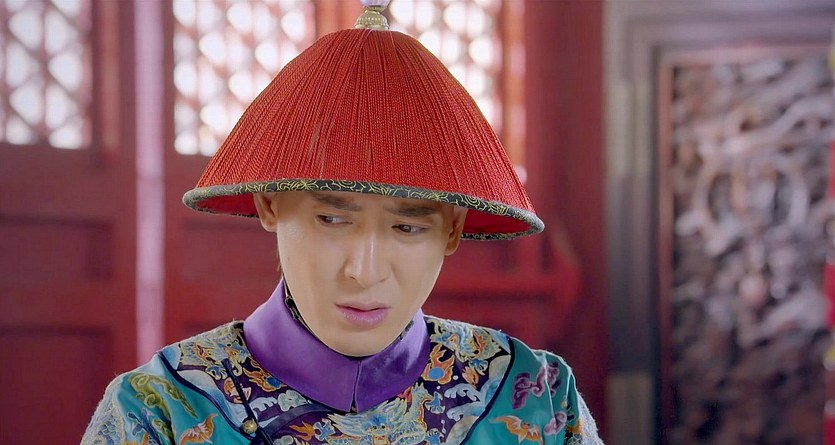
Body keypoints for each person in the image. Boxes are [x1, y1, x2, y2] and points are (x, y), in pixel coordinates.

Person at [82, 2, 603, 444]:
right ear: (269, 204)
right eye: (332, 218)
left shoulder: (535, 398)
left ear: (453, 229)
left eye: (408, 227)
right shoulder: (158, 411)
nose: (365, 271)